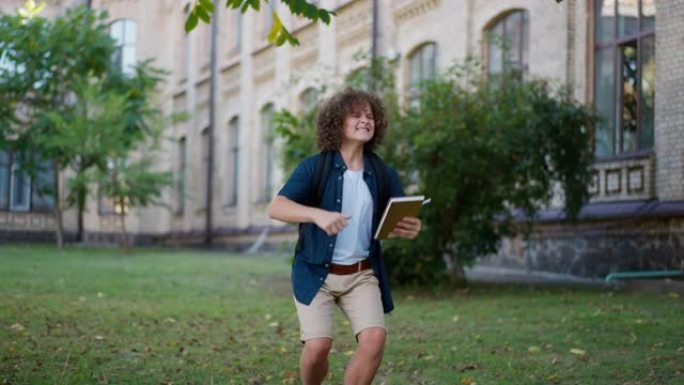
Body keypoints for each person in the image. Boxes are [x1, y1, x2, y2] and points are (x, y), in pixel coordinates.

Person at [267, 88, 422, 385]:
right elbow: (276, 207)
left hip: (362, 273)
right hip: (316, 273)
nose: (366, 120)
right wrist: (317, 215)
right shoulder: (315, 166)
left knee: (375, 339)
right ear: (337, 122)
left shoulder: (383, 173)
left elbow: (402, 216)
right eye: (356, 115)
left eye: (370, 116)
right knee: (317, 347)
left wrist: (412, 228)